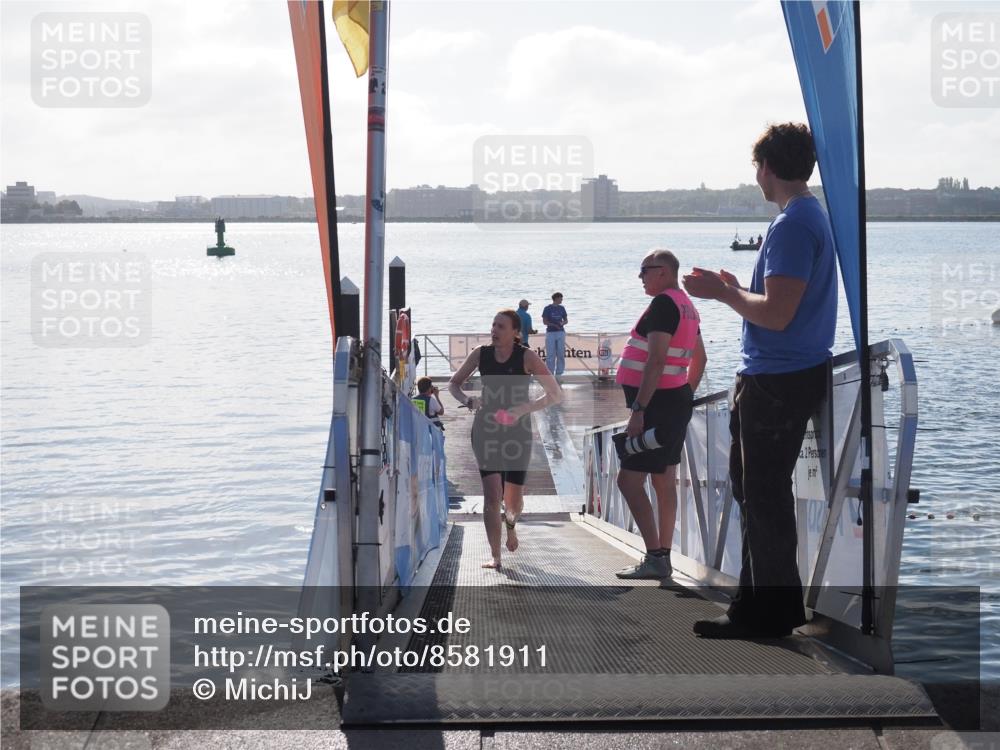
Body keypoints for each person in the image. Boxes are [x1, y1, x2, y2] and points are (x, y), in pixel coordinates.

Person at [682, 122, 837, 639]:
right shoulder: (807, 217)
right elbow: (779, 304)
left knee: (764, 495)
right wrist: (735, 287)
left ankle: (767, 612)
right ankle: (760, 605)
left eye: (757, 167)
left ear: (767, 167)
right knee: (756, 492)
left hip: (778, 378)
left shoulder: (793, 224)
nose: (757, 177)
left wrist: (722, 294)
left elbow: (777, 314)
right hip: (783, 373)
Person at [612, 250, 707, 580]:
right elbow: (700, 359)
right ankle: (662, 556)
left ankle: (655, 556)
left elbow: (655, 360)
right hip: (673, 401)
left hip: (655, 405)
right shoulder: (686, 306)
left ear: (663, 272)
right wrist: (684, 395)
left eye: (644, 271)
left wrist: (639, 410)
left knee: (628, 481)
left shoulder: (664, 304)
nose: (640, 277)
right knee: (664, 479)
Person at [448, 309, 562, 570]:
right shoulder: (481, 354)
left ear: (516, 332)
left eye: (501, 326)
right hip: (485, 429)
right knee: (491, 495)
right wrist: (468, 400)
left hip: (517, 432)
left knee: (513, 500)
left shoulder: (527, 356)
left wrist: (523, 409)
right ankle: (495, 556)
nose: (494, 330)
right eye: (493, 325)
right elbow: (454, 384)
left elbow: (555, 394)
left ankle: (511, 525)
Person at [541, 292, 568, 376]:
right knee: (550, 354)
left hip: (560, 332)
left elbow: (566, 320)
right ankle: (550, 373)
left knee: (560, 353)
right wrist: (553, 325)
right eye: (560, 298)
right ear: (556, 298)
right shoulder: (547, 308)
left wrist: (562, 323)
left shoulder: (562, 308)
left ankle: (559, 373)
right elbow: (544, 322)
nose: (562, 300)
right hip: (550, 333)